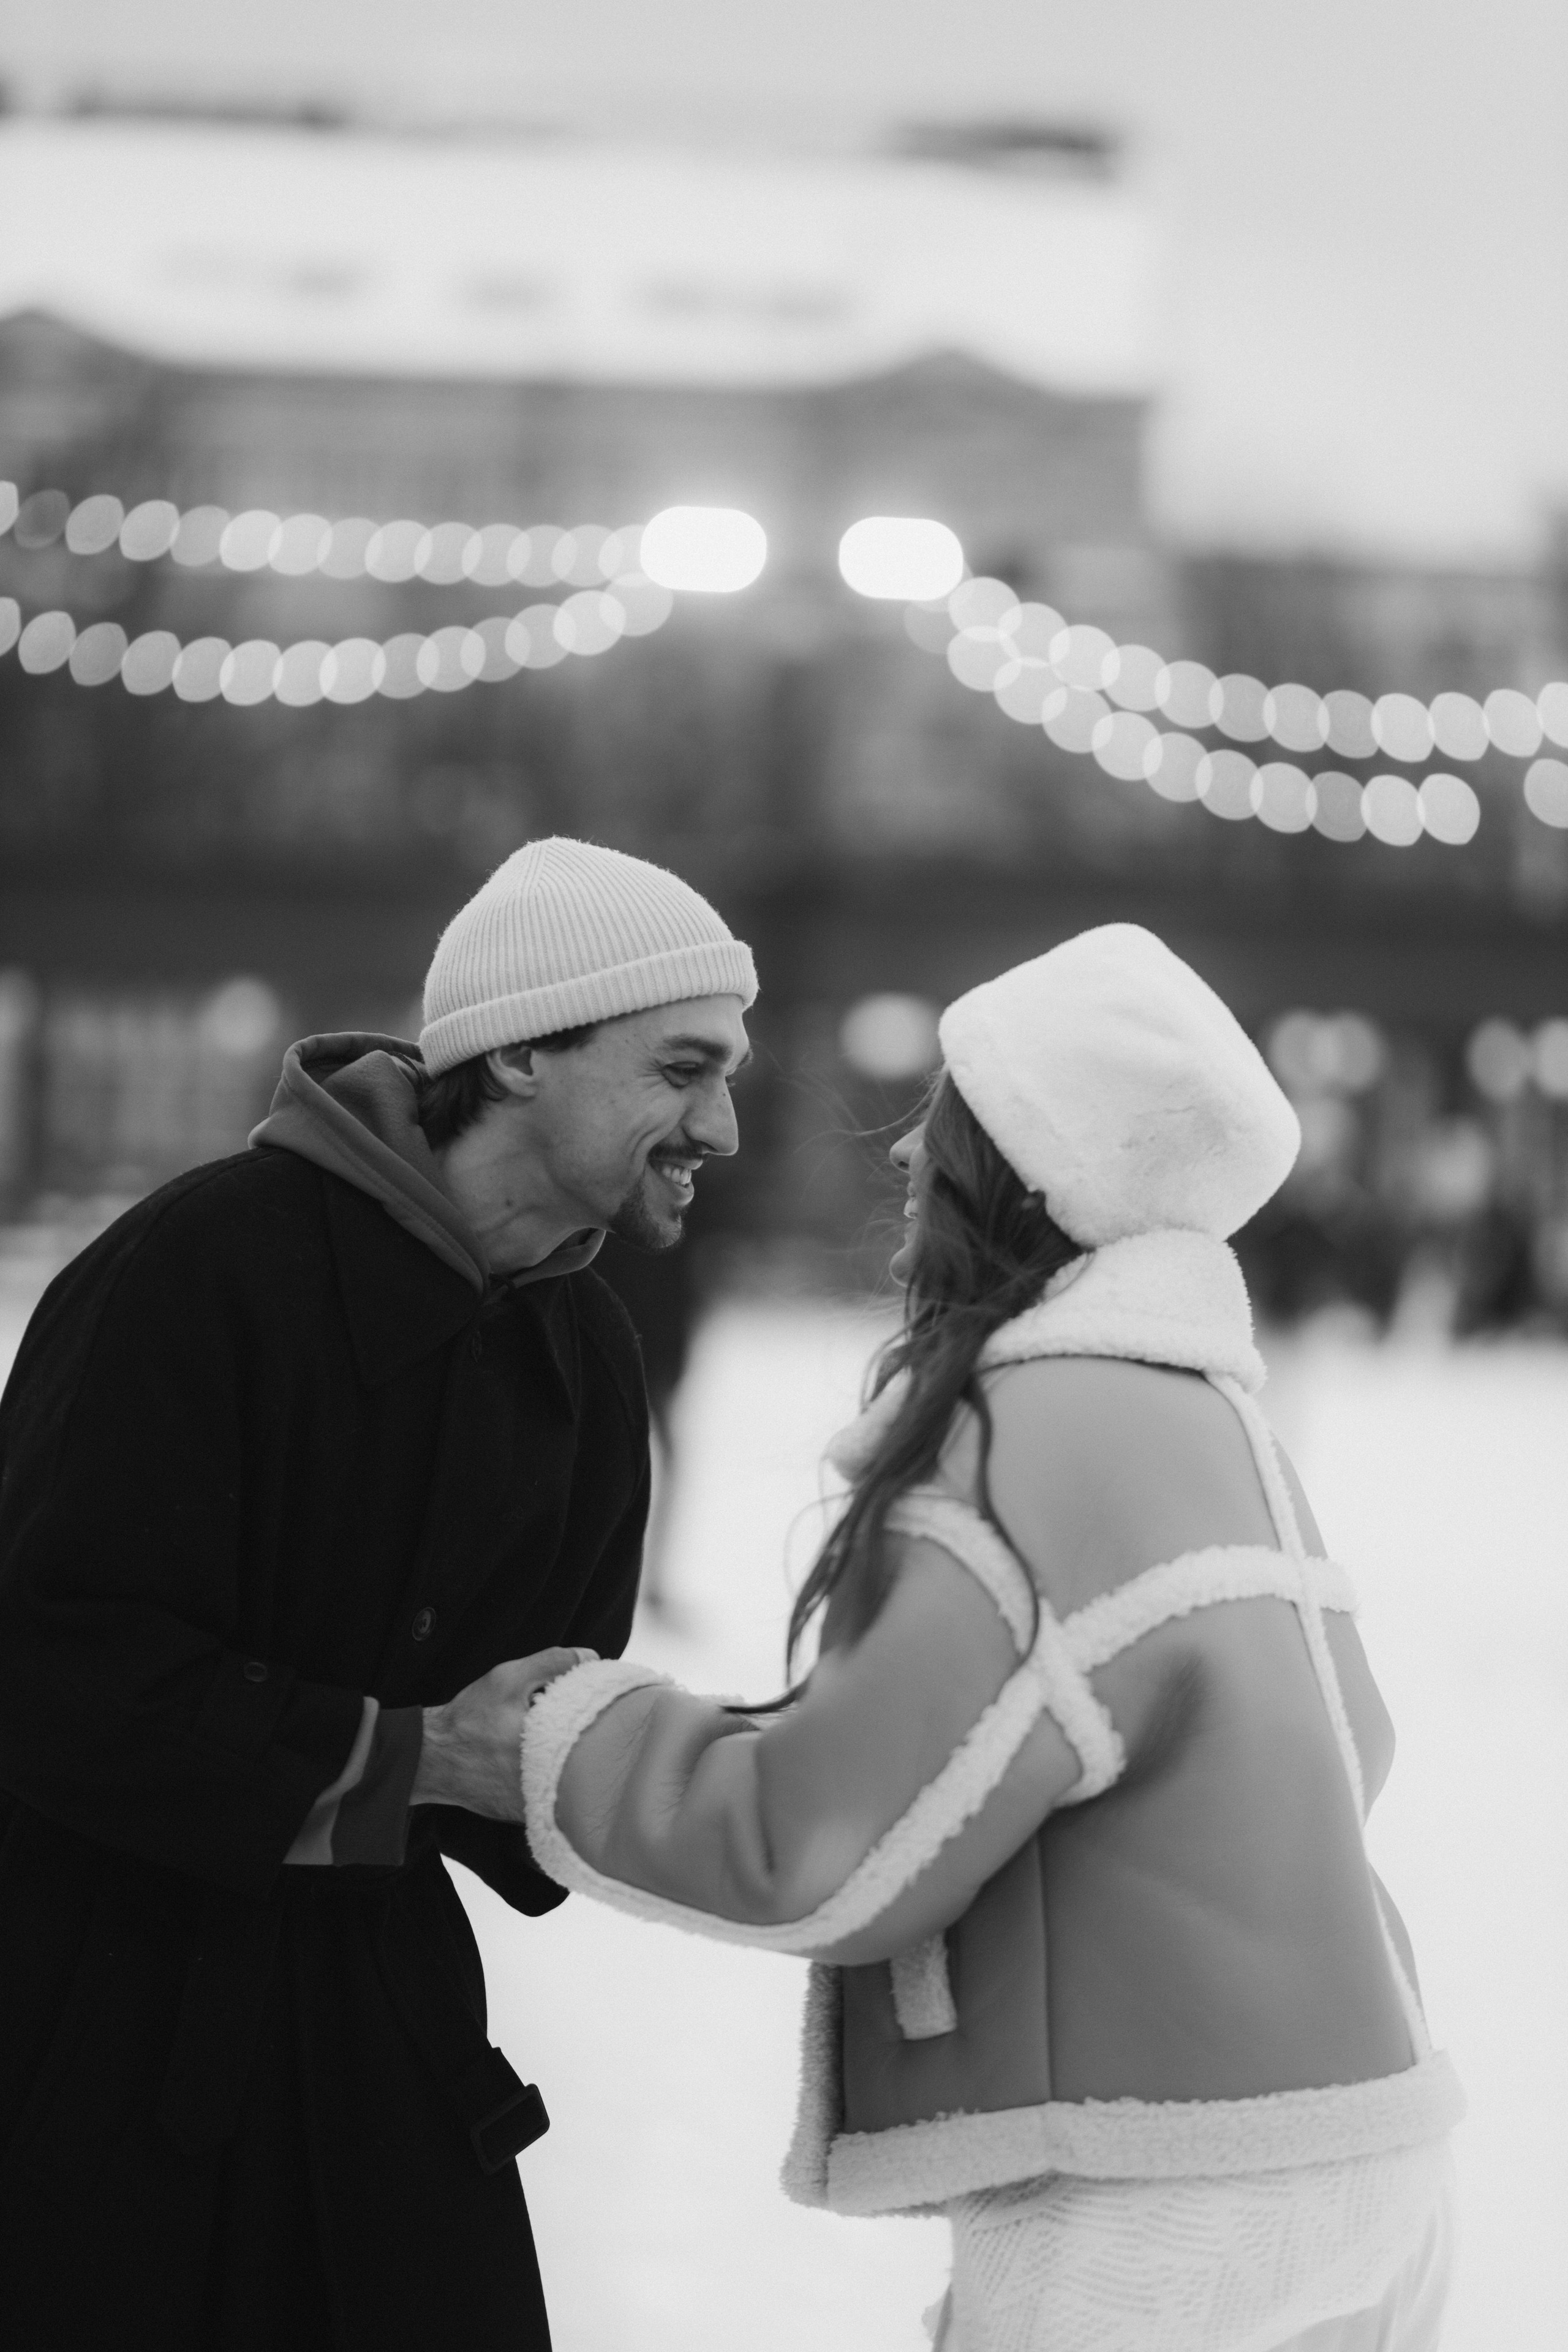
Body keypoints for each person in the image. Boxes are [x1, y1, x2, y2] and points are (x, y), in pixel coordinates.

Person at [519, 925, 1463, 2352]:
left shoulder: (1032, 1435)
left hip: (1164, 2209)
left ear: (1022, 1169)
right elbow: (1343, 1749)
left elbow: (826, 1846)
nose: (900, 1165)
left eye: (939, 1127)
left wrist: (539, 1747)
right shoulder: (1213, 1423)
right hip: (1367, 2162)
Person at [0, 835, 756, 2351]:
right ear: (526, 1054)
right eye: (681, 1069)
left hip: (381, 2060)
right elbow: (45, 1665)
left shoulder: (584, 1359)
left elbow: (525, 1744)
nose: (721, 1126)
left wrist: (756, 1776)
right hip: (94, 2059)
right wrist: (403, 1757)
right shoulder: (194, 1270)